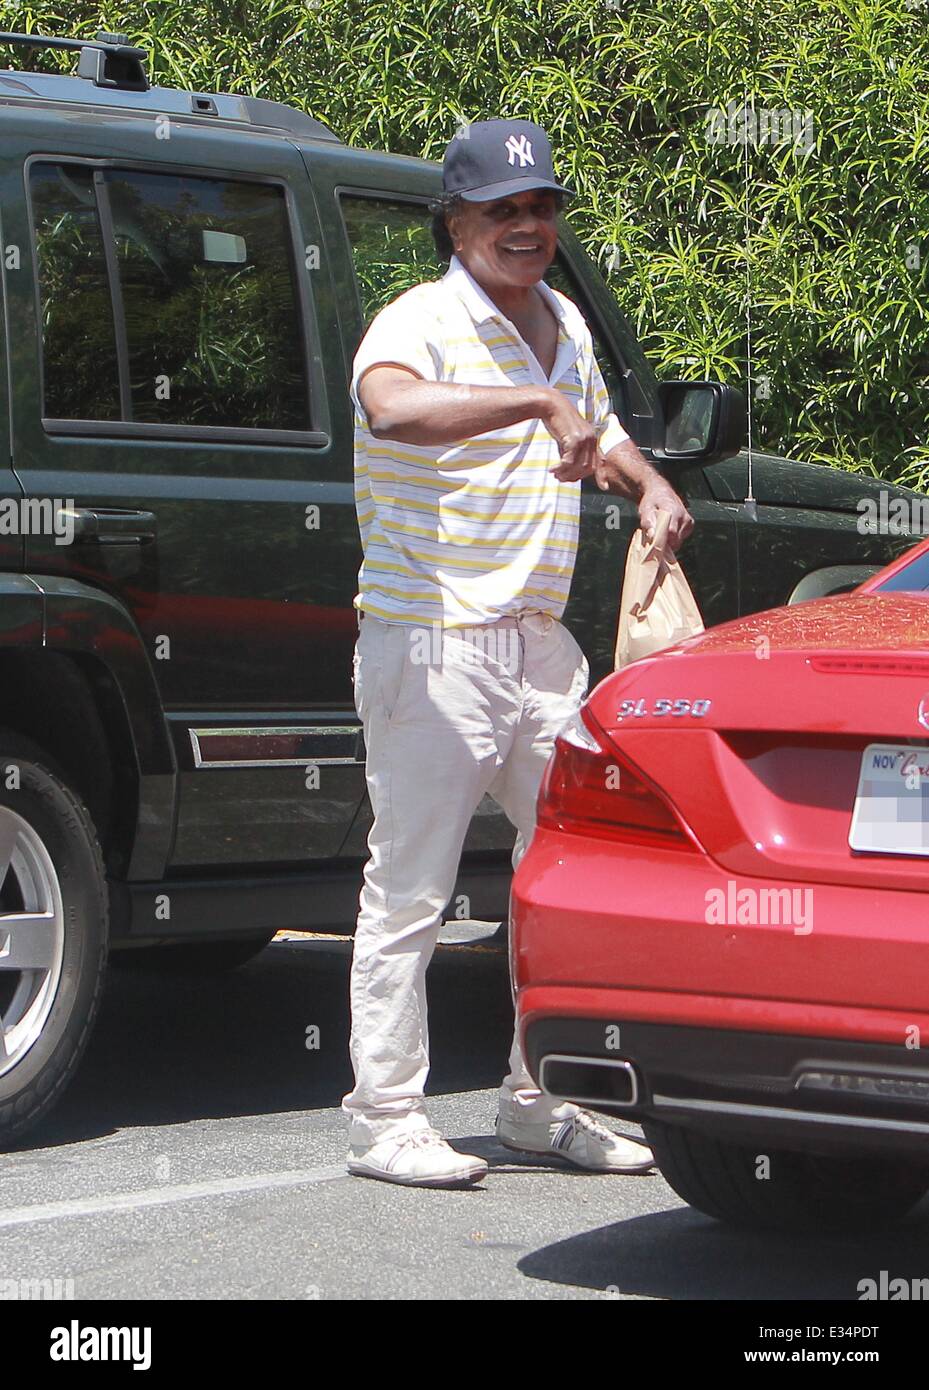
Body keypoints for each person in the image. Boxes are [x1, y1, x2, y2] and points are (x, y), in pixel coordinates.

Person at [343, 118, 694, 1187]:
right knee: (411, 890)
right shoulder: (418, 318)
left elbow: (596, 431)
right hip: (432, 640)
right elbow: (390, 408)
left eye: (539, 207)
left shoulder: (566, 325)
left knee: (576, 871)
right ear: (455, 222)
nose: (528, 226)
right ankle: (382, 1117)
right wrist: (532, 400)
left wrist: (650, 483)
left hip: (541, 648)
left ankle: (543, 1097)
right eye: (503, 210)